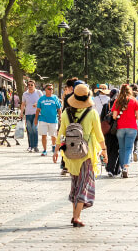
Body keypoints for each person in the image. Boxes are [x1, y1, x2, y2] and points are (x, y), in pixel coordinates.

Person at [53, 83, 105, 227]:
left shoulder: (66, 113)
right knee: (84, 184)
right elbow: (99, 135)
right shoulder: (92, 113)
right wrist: (104, 151)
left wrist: (57, 149)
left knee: (75, 184)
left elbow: (61, 133)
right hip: (86, 154)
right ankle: (76, 217)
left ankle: (75, 214)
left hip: (70, 154)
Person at [111, 84, 138, 178]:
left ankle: (123, 166)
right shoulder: (134, 100)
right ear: (130, 91)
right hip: (132, 127)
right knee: (128, 148)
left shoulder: (117, 101)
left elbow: (114, 116)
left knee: (122, 148)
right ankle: (125, 167)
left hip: (120, 127)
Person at [35, 83, 61, 157]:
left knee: (53, 136)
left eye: (52, 89)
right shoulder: (41, 99)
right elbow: (37, 110)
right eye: (49, 89)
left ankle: (53, 146)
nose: (51, 90)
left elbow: (59, 108)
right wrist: (36, 119)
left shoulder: (55, 98)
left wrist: (60, 116)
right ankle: (44, 150)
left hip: (53, 120)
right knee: (44, 135)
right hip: (43, 119)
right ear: (45, 90)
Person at [102, 88, 121, 176]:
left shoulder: (106, 105)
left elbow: (102, 118)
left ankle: (109, 167)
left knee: (109, 149)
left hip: (107, 130)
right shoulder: (119, 105)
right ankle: (114, 169)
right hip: (116, 129)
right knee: (116, 150)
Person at [20, 80, 42, 153]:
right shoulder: (25, 94)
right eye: (28, 85)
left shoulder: (38, 92)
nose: (30, 86)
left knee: (34, 128)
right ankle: (30, 146)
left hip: (37, 114)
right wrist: (21, 113)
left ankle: (35, 146)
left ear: (34, 85)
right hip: (28, 114)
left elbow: (42, 101)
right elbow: (23, 104)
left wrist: (37, 104)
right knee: (29, 130)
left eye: (31, 85)